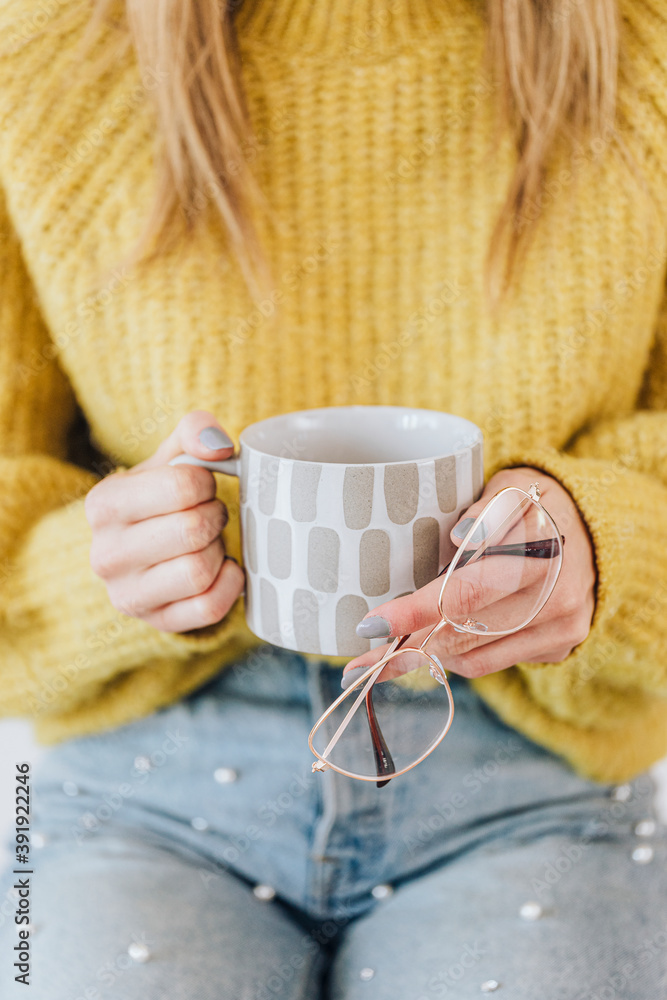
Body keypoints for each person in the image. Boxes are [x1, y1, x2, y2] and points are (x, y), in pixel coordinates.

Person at [0, 0, 666, 996]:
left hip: (531, 769)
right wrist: (106, 571)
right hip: (144, 777)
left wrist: (611, 544)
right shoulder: (38, 51)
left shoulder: (642, 43)